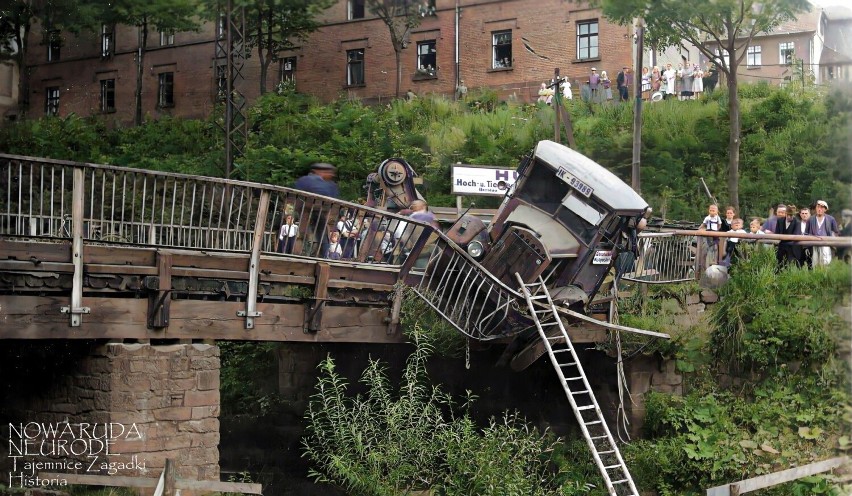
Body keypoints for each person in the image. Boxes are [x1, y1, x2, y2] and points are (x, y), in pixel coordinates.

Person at [294, 162, 339, 256]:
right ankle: (303, 255)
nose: (331, 174)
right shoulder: (309, 180)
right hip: (307, 212)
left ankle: (320, 256)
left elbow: (333, 204)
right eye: (328, 172)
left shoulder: (331, 184)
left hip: (320, 214)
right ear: (317, 171)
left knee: (321, 239)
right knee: (304, 236)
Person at [807, 200, 839, 266]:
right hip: (814, 244)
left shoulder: (831, 219)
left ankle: (825, 275)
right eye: (818, 207)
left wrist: (832, 239)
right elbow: (806, 232)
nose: (819, 209)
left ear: (825, 209)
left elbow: (836, 231)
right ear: (816, 208)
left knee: (826, 263)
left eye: (821, 207)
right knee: (815, 263)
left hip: (826, 244)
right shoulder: (811, 219)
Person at [762, 203, 794, 268]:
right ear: (776, 212)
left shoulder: (791, 220)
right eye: (779, 212)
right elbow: (763, 230)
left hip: (788, 245)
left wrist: (773, 234)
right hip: (772, 244)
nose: (781, 214)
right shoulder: (770, 220)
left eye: (783, 212)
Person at [699, 203, 723, 268]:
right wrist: (699, 228)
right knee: (709, 242)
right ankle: (710, 247)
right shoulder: (707, 218)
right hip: (709, 231)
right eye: (710, 210)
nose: (712, 212)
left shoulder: (717, 218)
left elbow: (719, 225)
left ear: (717, 211)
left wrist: (717, 229)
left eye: (713, 210)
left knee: (716, 242)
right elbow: (703, 224)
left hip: (715, 231)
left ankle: (715, 250)